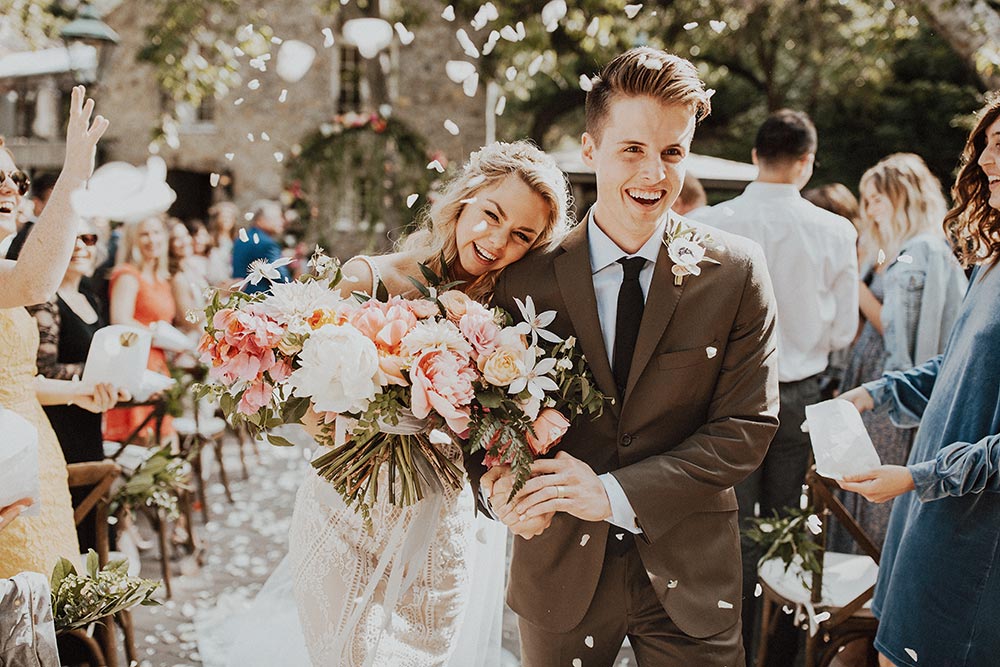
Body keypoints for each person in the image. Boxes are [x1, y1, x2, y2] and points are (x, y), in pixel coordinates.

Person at [480, 48, 779, 666]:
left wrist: (613, 493)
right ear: (590, 149)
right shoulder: (521, 280)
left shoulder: (738, 272)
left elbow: (745, 429)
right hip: (559, 569)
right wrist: (495, 486)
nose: (654, 174)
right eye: (633, 150)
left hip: (692, 575)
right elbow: (479, 415)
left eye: (672, 152)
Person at [265, 140, 571, 667]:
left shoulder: (512, 322)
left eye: (521, 235)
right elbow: (295, 391)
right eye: (490, 216)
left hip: (437, 532)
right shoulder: (367, 279)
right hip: (346, 513)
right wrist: (369, 410)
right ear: (464, 200)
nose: (497, 241)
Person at [836, 98, 1000, 667]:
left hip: (976, 535)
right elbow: (951, 365)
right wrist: (874, 393)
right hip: (928, 512)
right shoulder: (990, 264)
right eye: (983, 145)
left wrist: (915, 476)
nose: (983, 159)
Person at [690, 108, 858, 661]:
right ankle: (780, 650)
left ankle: (726, 645)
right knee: (788, 525)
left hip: (729, 393)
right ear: (806, 163)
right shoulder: (835, 230)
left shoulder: (712, 223)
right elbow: (844, 329)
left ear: (756, 156)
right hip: (802, 394)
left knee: (730, 524)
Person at [0, 86, 123, 579]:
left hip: (35, 459)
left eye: (15, 178)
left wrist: (80, 391)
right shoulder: (15, 277)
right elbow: (35, 281)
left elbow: (14, 381)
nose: (10, 188)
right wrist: (74, 175)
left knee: (51, 612)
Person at [827, 154, 967, 555]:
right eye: (866, 200)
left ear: (903, 196)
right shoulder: (903, 249)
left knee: (877, 488)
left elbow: (900, 334)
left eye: (877, 199)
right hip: (877, 377)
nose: (869, 210)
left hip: (893, 387)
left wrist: (853, 284)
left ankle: (867, 587)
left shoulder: (917, 252)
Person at [104, 214, 177, 444]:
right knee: (142, 441)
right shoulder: (127, 275)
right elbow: (120, 320)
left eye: (156, 232)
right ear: (133, 239)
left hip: (158, 364)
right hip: (136, 363)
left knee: (164, 441)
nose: (152, 239)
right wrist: (159, 336)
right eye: (144, 233)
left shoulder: (162, 278)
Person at [232, 200, 288, 294]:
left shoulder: (242, 239)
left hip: (242, 297)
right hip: (262, 299)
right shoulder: (267, 244)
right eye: (277, 217)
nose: (282, 221)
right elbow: (281, 279)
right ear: (260, 220)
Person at [168, 219, 209, 333]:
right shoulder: (177, 278)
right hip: (189, 341)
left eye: (186, 235)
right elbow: (189, 321)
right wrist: (218, 297)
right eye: (177, 239)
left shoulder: (191, 267)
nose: (185, 241)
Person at [207, 201, 239, 285]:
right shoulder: (211, 240)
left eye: (229, 217)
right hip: (217, 280)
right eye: (223, 216)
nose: (226, 220)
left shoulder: (236, 240)